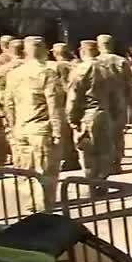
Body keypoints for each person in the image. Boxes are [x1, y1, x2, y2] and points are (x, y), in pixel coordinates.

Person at [4, 36, 65, 212]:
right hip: (41, 129)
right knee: (45, 174)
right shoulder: (47, 73)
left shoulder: (14, 74)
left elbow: (9, 104)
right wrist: (57, 131)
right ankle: (44, 214)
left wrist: (13, 126)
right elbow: (54, 104)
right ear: (43, 49)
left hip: (20, 129)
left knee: (26, 174)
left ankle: (29, 211)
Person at [66, 40, 115, 190]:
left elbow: (74, 96)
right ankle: (103, 182)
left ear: (82, 51)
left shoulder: (80, 70)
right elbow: (116, 94)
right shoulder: (107, 69)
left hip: (87, 114)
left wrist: (71, 119)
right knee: (104, 150)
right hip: (104, 113)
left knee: (87, 151)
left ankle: (91, 184)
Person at [96, 34, 132, 175]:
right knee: (118, 133)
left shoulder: (96, 62)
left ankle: (106, 162)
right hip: (119, 99)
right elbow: (130, 82)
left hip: (103, 100)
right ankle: (116, 162)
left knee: (104, 134)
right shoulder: (122, 61)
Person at [50, 43, 81, 171]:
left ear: (56, 53)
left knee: (65, 133)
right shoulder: (78, 64)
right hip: (79, 100)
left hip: (64, 101)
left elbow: (60, 86)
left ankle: (71, 160)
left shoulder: (59, 66)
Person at [0, 38, 25, 165]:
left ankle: (17, 160)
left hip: (6, 103)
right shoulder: (31, 64)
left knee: (10, 132)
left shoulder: (2, 66)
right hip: (27, 103)